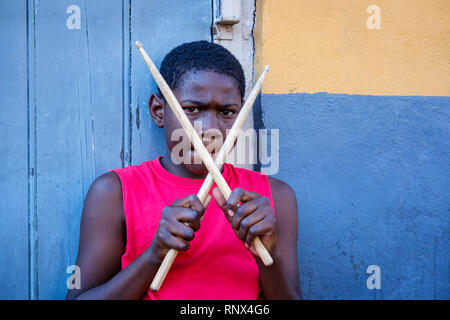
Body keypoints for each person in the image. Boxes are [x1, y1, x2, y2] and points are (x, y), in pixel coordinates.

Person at [66, 41, 301, 300]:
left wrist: (269, 253)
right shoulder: (114, 193)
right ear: (159, 110)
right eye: (191, 109)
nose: (210, 129)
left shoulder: (274, 197)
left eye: (227, 112)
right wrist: (154, 254)